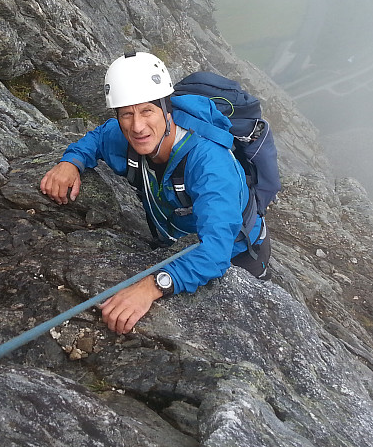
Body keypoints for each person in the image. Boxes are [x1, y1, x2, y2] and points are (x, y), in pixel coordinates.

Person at [39, 52, 270, 334]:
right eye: (126, 113)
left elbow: (215, 252)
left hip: (238, 252)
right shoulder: (124, 137)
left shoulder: (210, 164)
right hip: (172, 241)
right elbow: (98, 138)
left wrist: (152, 286)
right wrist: (71, 162)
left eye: (147, 111)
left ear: (166, 109)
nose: (137, 126)